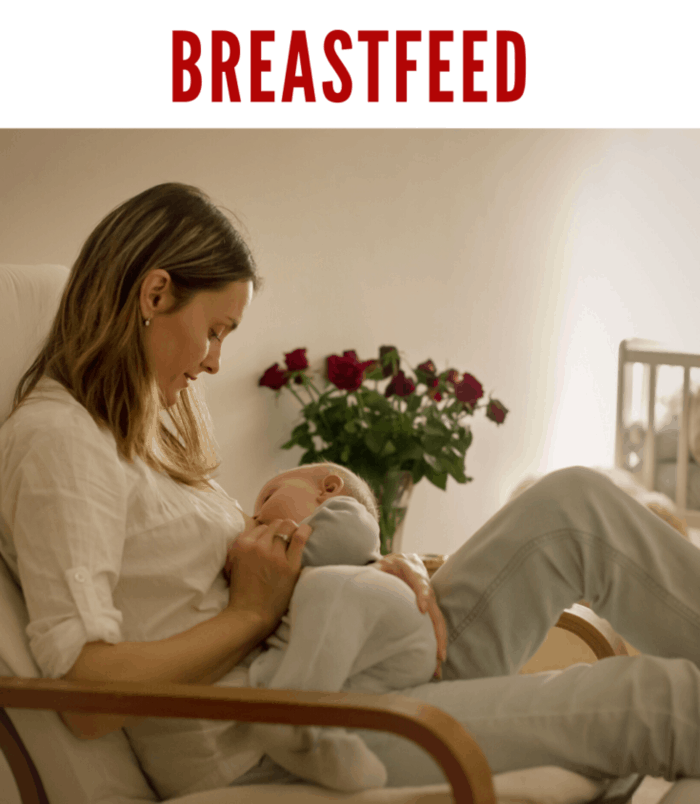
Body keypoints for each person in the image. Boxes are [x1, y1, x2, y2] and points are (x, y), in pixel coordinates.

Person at [2, 183, 700, 798]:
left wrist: (370, 571)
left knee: (570, 504)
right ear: (155, 294)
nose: (217, 360)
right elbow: (85, 694)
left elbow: (208, 569)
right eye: (214, 331)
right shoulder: (61, 445)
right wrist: (250, 616)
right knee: (659, 701)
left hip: (340, 660)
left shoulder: (150, 423)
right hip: (281, 733)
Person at [244, 461, 438, 791]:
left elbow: (335, 546)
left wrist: (254, 560)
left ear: (329, 489)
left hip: (391, 627)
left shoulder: (347, 516)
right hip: (363, 663)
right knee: (272, 668)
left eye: (267, 498)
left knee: (324, 586)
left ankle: (290, 725)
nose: (256, 517)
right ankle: (321, 747)